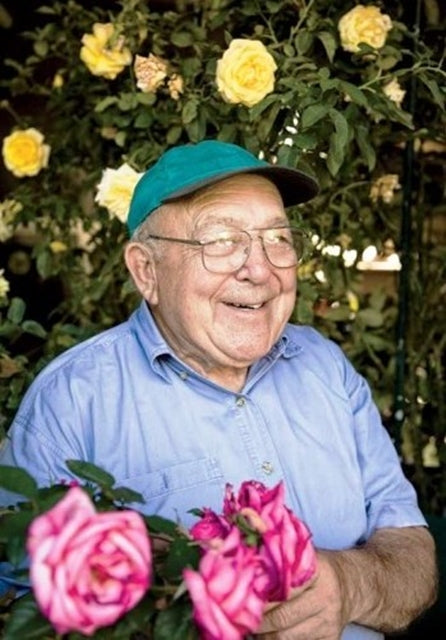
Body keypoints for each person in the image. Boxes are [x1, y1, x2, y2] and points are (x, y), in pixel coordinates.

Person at [0, 140, 438, 639]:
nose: (260, 269)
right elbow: (19, 604)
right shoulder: (73, 400)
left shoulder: (325, 367)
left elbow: (413, 550)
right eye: (222, 241)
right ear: (147, 270)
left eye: (278, 239)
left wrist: (349, 584)